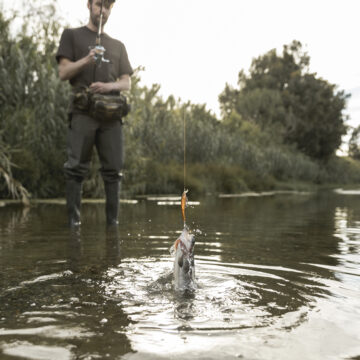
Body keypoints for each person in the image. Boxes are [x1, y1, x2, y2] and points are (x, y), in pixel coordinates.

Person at [56, 0, 133, 226]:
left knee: (113, 172)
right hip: (83, 112)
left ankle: (113, 227)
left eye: (108, 7)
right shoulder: (72, 36)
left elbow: (126, 82)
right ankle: (74, 226)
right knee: (75, 169)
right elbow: (63, 72)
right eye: (99, 5)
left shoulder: (118, 46)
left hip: (111, 116)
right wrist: (88, 59)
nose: (103, 11)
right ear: (89, 5)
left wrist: (108, 87)